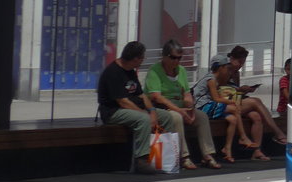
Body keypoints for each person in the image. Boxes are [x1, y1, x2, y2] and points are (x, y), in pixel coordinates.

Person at [97, 41, 183, 175]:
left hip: (134, 108)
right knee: (143, 119)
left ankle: (166, 155)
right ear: (135, 59)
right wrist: (146, 114)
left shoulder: (131, 71)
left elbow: (142, 95)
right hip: (113, 112)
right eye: (142, 58)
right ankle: (141, 160)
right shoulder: (113, 72)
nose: (143, 61)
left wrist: (152, 111)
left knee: (166, 116)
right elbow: (123, 102)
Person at [145, 39, 221, 169]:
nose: (176, 61)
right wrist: (180, 111)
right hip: (161, 108)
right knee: (176, 117)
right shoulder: (154, 71)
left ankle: (208, 154)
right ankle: (183, 156)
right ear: (164, 56)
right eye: (173, 58)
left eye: (179, 58)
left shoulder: (181, 71)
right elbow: (157, 97)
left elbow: (186, 94)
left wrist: (190, 108)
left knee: (201, 116)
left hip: (180, 106)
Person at [223, 46, 287, 155]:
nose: (241, 65)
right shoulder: (224, 70)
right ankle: (277, 132)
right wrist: (239, 90)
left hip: (236, 101)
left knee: (256, 116)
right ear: (232, 59)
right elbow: (223, 91)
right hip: (225, 104)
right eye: (239, 62)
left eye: (243, 63)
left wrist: (245, 90)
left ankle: (257, 150)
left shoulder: (236, 73)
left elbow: (236, 92)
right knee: (255, 101)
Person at [192, 55, 247, 163]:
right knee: (234, 109)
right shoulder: (211, 79)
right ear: (220, 67)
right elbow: (216, 98)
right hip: (203, 106)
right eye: (226, 67)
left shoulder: (215, 80)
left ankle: (227, 149)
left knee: (233, 119)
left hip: (209, 104)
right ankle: (243, 137)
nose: (227, 71)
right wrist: (232, 102)